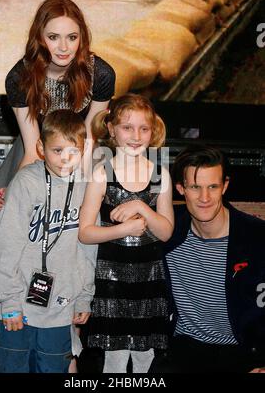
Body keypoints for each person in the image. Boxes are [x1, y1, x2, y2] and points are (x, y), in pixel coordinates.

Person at [0, 110, 97, 373]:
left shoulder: (86, 186)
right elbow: (3, 244)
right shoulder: (26, 182)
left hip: (61, 306)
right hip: (17, 304)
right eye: (57, 150)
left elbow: (88, 248)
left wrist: (84, 297)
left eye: (73, 151)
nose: (65, 159)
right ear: (41, 148)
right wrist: (8, 301)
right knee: (13, 367)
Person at [0, 0, 115, 214]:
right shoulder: (19, 78)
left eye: (72, 37)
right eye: (53, 37)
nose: (64, 47)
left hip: (85, 149)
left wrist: (74, 191)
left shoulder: (101, 74)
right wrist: (19, 192)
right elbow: (34, 150)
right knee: (15, 209)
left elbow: (89, 141)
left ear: (81, 38)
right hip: (37, 146)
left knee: (84, 213)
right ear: (40, 37)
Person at [78, 93, 174, 373]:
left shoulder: (159, 173)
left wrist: (139, 206)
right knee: (116, 358)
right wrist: (123, 229)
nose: (136, 136)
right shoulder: (101, 173)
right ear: (111, 129)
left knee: (145, 356)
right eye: (127, 127)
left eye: (144, 129)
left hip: (148, 281)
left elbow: (166, 232)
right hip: (112, 281)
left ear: (153, 131)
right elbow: (85, 233)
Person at [149, 144, 265, 373]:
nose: (204, 198)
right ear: (181, 188)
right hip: (182, 349)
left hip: (242, 352)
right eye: (195, 187)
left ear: (225, 186)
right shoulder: (167, 233)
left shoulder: (256, 237)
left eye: (213, 186)